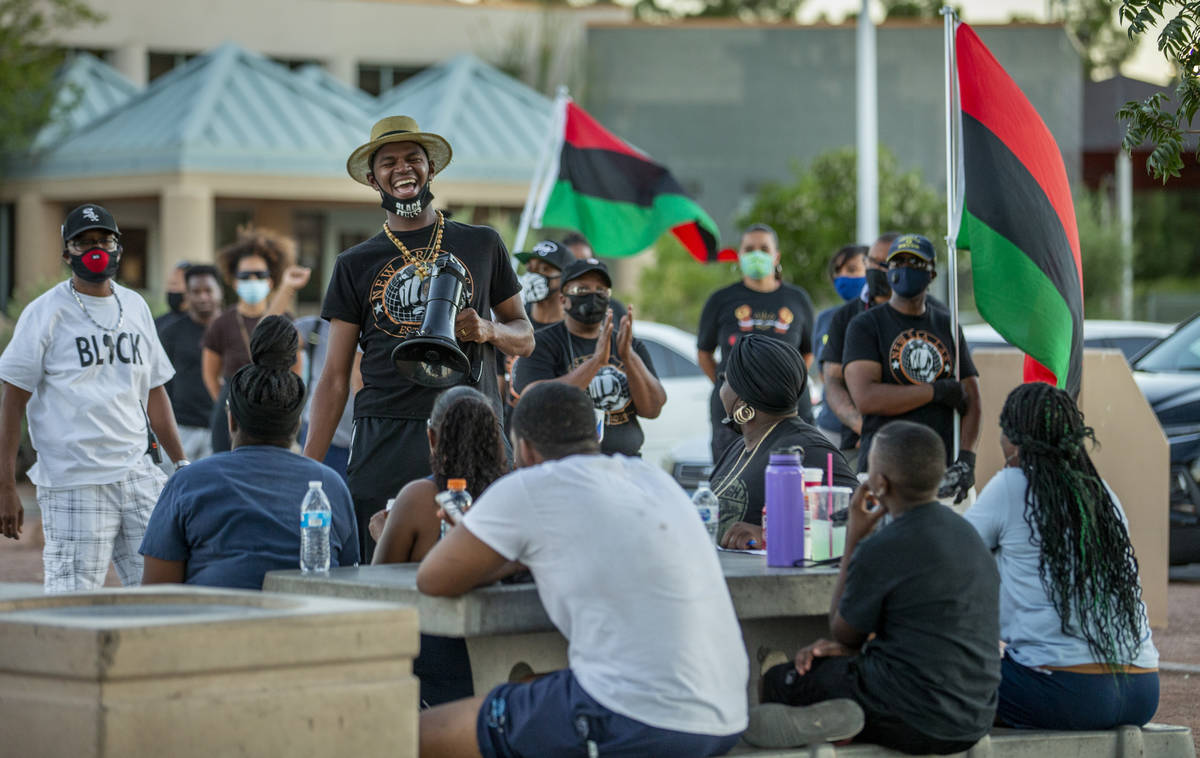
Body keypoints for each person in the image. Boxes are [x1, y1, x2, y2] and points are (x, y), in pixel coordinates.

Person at [416, 382, 748, 758]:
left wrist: (492, 548)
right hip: (725, 715)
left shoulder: (532, 484)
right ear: (595, 434)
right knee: (529, 686)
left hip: (636, 718)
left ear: (523, 447)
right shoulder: (651, 478)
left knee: (418, 732)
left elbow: (433, 578)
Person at [304, 115, 532, 562]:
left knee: (484, 561)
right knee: (382, 567)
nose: (402, 168)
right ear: (374, 180)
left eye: (413, 158)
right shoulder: (354, 262)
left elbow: (525, 336)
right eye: (388, 162)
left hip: (471, 424)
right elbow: (333, 377)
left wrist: (488, 329)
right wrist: (308, 471)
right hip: (386, 433)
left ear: (432, 169)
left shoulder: (483, 244)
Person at [747, 421, 1000, 754]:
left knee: (784, 678)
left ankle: (835, 718)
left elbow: (842, 632)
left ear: (878, 483)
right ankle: (846, 720)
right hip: (974, 717)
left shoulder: (884, 544)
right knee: (851, 667)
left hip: (913, 716)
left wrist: (854, 537)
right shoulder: (969, 536)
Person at [0, 203, 187, 592]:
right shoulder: (45, 313)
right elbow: (13, 400)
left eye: (104, 239)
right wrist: (4, 485)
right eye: (83, 243)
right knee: (74, 600)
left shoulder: (135, 306)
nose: (95, 249)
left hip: (138, 474)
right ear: (67, 253)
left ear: (118, 247)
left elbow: (155, 392)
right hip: (75, 480)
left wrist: (180, 463)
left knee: (161, 592)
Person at [964, 383, 1159, 730]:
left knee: (944, 686)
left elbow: (952, 550)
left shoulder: (1012, 485)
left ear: (1014, 440)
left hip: (1065, 691)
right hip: (1143, 689)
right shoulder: (1103, 494)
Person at [140, 316, 359, 590]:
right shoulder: (330, 486)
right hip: (307, 624)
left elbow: (157, 591)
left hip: (214, 624)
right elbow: (349, 579)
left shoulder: (187, 483)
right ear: (297, 423)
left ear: (231, 420)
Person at [370, 385, 509, 706]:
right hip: (499, 672)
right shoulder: (510, 494)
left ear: (432, 438)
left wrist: (384, 531)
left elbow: (378, 586)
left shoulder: (419, 498)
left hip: (430, 678)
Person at [842, 233, 980, 505]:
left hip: (942, 475)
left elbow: (973, 399)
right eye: (898, 261)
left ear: (931, 274)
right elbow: (866, 398)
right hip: (884, 474)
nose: (905, 268)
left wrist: (966, 459)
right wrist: (934, 392)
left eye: (915, 263)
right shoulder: (866, 325)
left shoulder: (948, 326)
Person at [711, 334, 857, 549]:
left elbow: (863, 522)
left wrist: (770, 537)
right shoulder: (740, 447)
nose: (720, 390)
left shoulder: (808, 449)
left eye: (725, 380)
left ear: (743, 398)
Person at [513, 258, 665, 457]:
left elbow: (652, 409)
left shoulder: (628, 344)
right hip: (565, 463)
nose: (593, 296)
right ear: (563, 299)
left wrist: (629, 358)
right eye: (582, 290)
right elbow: (536, 401)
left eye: (601, 290)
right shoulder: (541, 344)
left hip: (624, 465)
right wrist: (595, 363)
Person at [698, 223, 816, 462]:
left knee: (794, 480)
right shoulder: (721, 299)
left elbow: (807, 352)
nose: (756, 254)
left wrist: (788, 385)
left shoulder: (797, 299)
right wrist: (731, 387)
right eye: (749, 249)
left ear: (776, 256)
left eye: (764, 248)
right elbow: (704, 354)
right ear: (740, 256)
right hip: (736, 412)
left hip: (790, 408)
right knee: (734, 481)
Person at [201, 227, 298, 454]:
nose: (252, 280)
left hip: (275, 406)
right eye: (245, 276)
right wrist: (233, 404)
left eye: (260, 275)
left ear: (271, 281)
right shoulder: (221, 323)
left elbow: (297, 366)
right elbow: (210, 374)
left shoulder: (285, 319)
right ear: (234, 282)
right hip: (230, 406)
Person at [818, 233, 898, 464]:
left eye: (886, 264)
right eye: (872, 263)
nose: (877, 270)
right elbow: (832, 380)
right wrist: (864, 428)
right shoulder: (844, 317)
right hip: (853, 440)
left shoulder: (934, 315)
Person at [159, 264, 223, 461]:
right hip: (181, 429)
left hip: (220, 428)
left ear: (219, 291)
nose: (203, 297)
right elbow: (160, 383)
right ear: (186, 295)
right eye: (196, 291)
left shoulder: (232, 328)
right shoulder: (170, 332)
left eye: (208, 290)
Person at [811, 244, 867, 367]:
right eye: (837, 270)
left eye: (852, 269)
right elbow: (820, 364)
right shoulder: (825, 318)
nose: (842, 276)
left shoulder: (881, 316)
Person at [155, 261, 191, 335]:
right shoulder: (158, 323)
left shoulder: (198, 322)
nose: (170, 289)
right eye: (169, 284)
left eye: (175, 284)